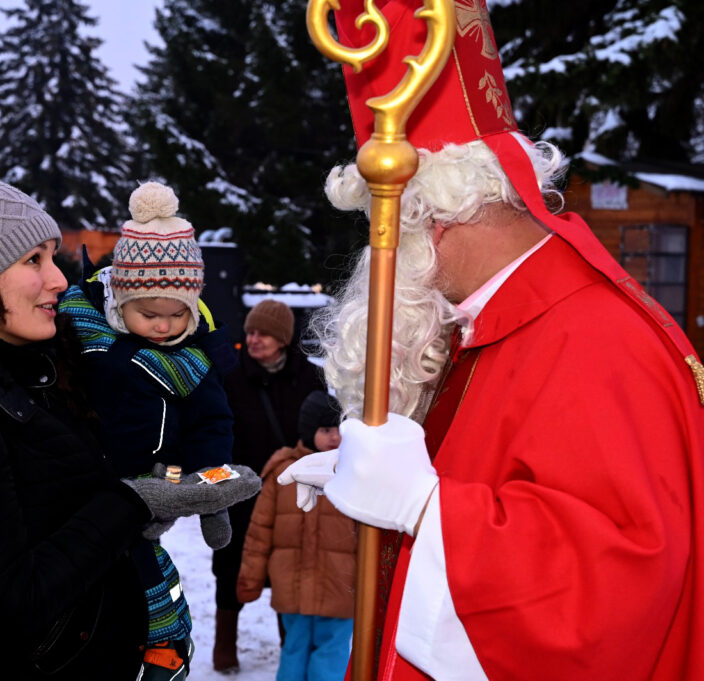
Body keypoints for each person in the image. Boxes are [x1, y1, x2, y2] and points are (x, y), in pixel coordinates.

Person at [279, 1, 704, 679]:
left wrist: (425, 505)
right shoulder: (494, 322)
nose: (379, 254)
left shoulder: (596, 340)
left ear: (433, 218)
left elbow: (613, 589)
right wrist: (363, 476)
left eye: (386, 227)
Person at [0, 152, 255, 679]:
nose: (59, 280)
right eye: (33, 261)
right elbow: (8, 603)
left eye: (53, 257)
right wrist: (132, 503)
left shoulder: (35, 370)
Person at [57, 181, 255, 679]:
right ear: (119, 303)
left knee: (143, 554)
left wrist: (212, 486)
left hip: (162, 474)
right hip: (91, 483)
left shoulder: (197, 361)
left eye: (176, 315)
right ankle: (145, 639)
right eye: (149, 314)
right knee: (115, 564)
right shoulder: (89, 343)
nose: (164, 327)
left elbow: (213, 422)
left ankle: (162, 646)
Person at [214, 298, 325, 671]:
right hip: (242, 489)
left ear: (282, 338)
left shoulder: (310, 378)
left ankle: (288, 644)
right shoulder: (231, 377)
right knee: (232, 566)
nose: (253, 339)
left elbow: (321, 432)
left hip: (291, 490)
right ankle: (224, 642)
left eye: (262, 332)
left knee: (287, 566)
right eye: (249, 332)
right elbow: (219, 432)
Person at [237, 389, 355, 681]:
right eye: (326, 430)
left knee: (332, 649)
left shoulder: (355, 473)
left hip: (339, 586)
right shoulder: (284, 473)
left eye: (340, 429)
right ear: (308, 429)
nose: (335, 437)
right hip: (294, 585)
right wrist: (250, 578)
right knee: (295, 646)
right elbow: (259, 533)